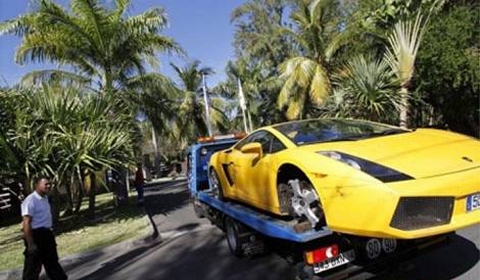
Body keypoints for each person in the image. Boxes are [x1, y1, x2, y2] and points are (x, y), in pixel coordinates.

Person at [21, 176, 67, 280]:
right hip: (36, 236)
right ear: (37, 185)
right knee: (32, 267)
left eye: (49, 184)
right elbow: (26, 223)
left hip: (46, 234)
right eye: (45, 184)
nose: (48, 186)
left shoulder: (45, 198)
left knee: (52, 262)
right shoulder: (30, 201)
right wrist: (30, 244)